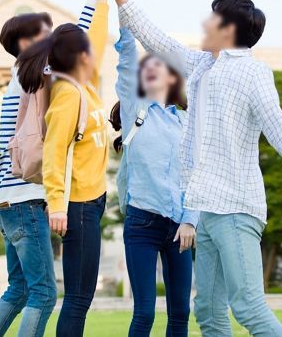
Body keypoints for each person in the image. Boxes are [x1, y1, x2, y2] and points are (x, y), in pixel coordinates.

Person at [110, 0, 282, 337]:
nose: (204, 22)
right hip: (207, 211)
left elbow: (278, 125)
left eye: (212, 17)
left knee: (247, 306)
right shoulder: (200, 67)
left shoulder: (253, 72)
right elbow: (157, 39)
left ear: (226, 28)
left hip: (237, 208)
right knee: (208, 312)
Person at [0, 0, 105, 337]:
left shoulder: (20, 80)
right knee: (44, 294)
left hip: (5, 200)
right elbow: (75, 42)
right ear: (26, 43)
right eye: (44, 34)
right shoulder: (31, 73)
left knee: (18, 290)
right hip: (27, 199)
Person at [17, 0, 114, 337]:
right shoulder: (67, 94)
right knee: (78, 296)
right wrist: (57, 204)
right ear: (78, 58)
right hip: (76, 205)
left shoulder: (83, 83)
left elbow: (98, 37)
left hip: (92, 199)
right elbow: (55, 152)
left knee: (80, 295)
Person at [109, 22, 199, 336]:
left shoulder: (187, 121)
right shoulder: (136, 109)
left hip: (180, 227)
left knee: (180, 313)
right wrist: (123, 5)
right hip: (142, 222)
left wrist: (190, 219)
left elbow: (196, 174)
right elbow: (127, 57)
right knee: (144, 312)